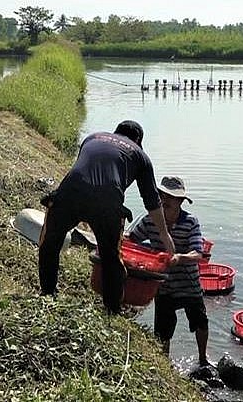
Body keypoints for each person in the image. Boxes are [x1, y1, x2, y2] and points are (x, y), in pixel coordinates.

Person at [38, 120, 175, 315]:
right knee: (111, 258)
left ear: (116, 132)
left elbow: (82, 169)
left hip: (70, 193)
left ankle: (47, 295)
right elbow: (152, 201)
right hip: (107, 204)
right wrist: (164, 234)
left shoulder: (92, 138)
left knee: (49, 243)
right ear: (138, 140)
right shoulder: (140, 155)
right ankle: (111, 310)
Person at [127, 175, 211, 367]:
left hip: (189, 284)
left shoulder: (190, 222)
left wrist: (180, 258)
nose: (165, 201)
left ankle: (203, 359)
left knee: (200, 322)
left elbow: (198, 253)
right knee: (163, 331)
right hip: (163, 286)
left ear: (180, 201)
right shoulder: (150, 221)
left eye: (171, 197)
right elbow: (132, 239)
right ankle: (165, 365)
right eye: (162, 196)